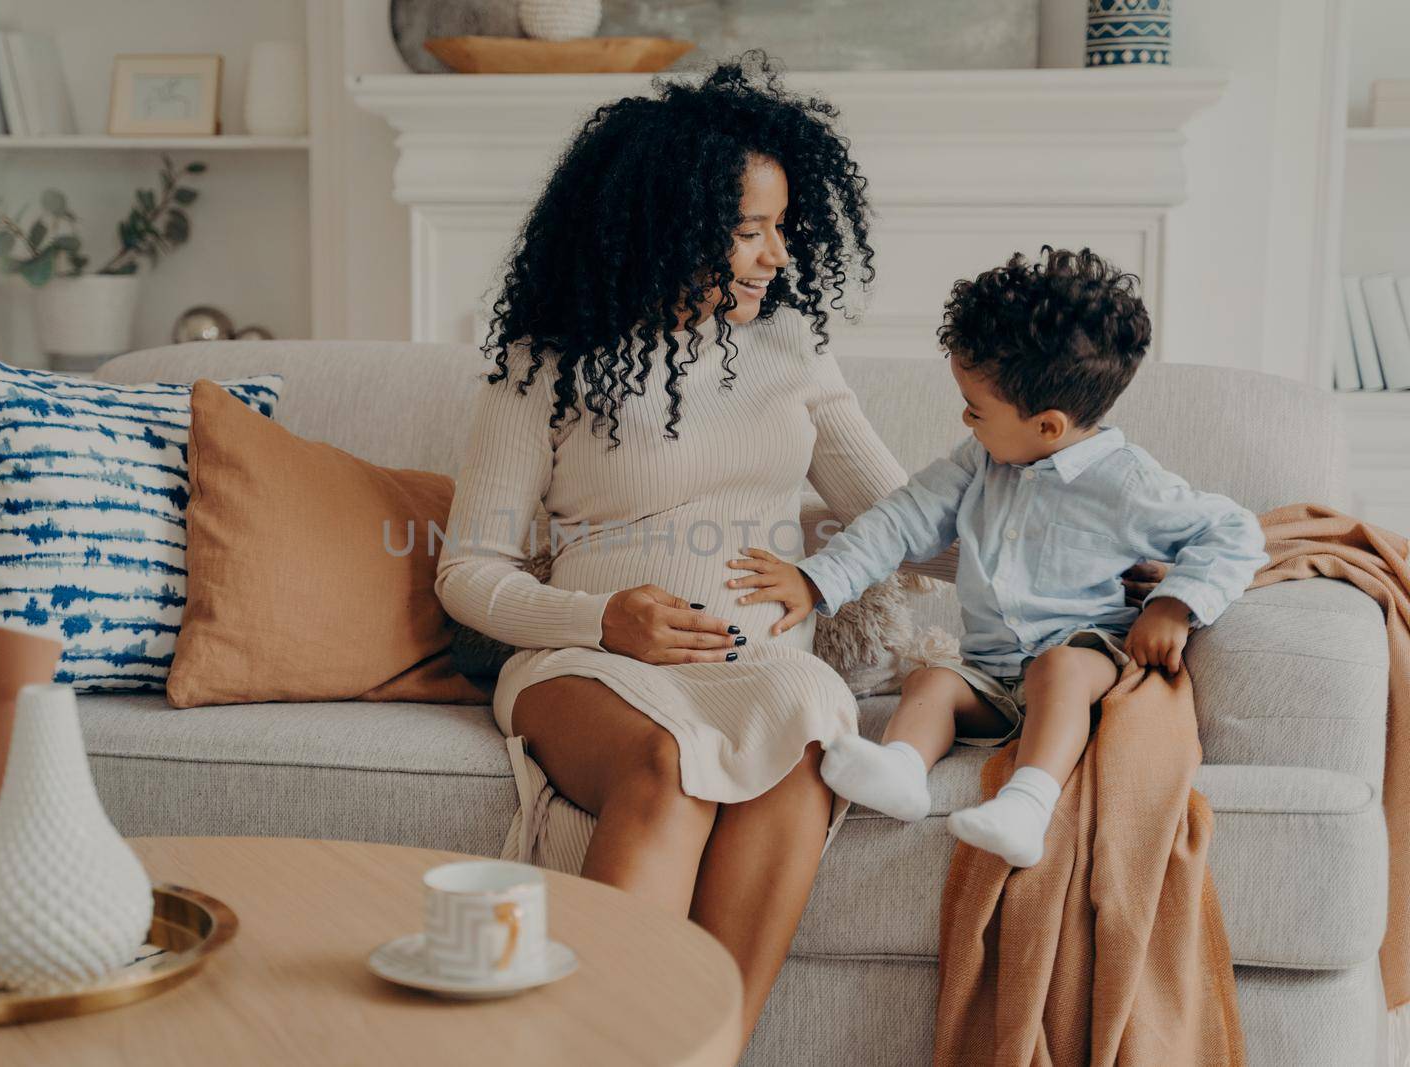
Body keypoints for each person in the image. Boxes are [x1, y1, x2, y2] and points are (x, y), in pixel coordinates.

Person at [433, 54, 962, 1049]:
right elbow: (467, 571)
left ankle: (707, 1046)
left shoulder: (795, 353)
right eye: (747, 229)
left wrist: (1095, 549)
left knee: (808, 723)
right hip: (585, 665)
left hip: (754, 664)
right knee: (666, 759)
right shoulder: (540, 368)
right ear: (663, 224)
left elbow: (909, 530)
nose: (773, 253)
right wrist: (602, 618)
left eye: (780, 227)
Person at [727, 247, 1269, 869]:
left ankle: (1027, 804)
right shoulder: (977, 461)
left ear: (1047, 426)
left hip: (1083, 660)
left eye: (976, 410)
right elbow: (901, 520)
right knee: (932, 679)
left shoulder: (1126, 484)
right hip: (991, 673)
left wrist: (1174, 605)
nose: (965, 418)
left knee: (1060, 671)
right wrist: (817, 580)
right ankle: (903, 771)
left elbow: (1234, 532)